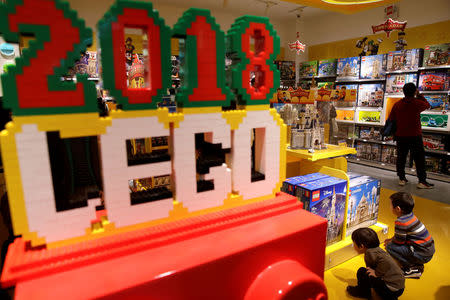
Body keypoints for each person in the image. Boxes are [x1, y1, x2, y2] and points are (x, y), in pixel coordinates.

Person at [388, 82, 434, 189]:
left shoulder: (397, 104)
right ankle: (422, 181)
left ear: (403, 92)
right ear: (414, 92)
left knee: (401, 158)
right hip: (415, 136)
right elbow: (427, 105)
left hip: (400, 135)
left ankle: (402, 178)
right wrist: (419, 95)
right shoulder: (417, 103)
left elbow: (391, 119)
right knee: (419, 158)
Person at [384, 192, 435, 279]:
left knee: (390, 247)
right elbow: (401, 235)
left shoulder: (401, 221)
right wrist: (392, 239)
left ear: (398, 209)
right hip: (428, 250)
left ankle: (412, 268)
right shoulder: (410, 216)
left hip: (422, 254)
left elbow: (399, 241)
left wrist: (390, 242)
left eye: (390, 205)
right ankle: (415, 262)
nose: (389, 207)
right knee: (391, 243)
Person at [347, 228, 405, 299]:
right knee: (369, 272)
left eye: (354, 243)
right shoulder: (377, 250)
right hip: (399, 288)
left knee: (362, 272)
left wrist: (377, 273)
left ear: (361, 246)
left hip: (390, 289)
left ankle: (363, 292)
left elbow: (384, 263)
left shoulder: (369, 253)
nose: (354, 246)